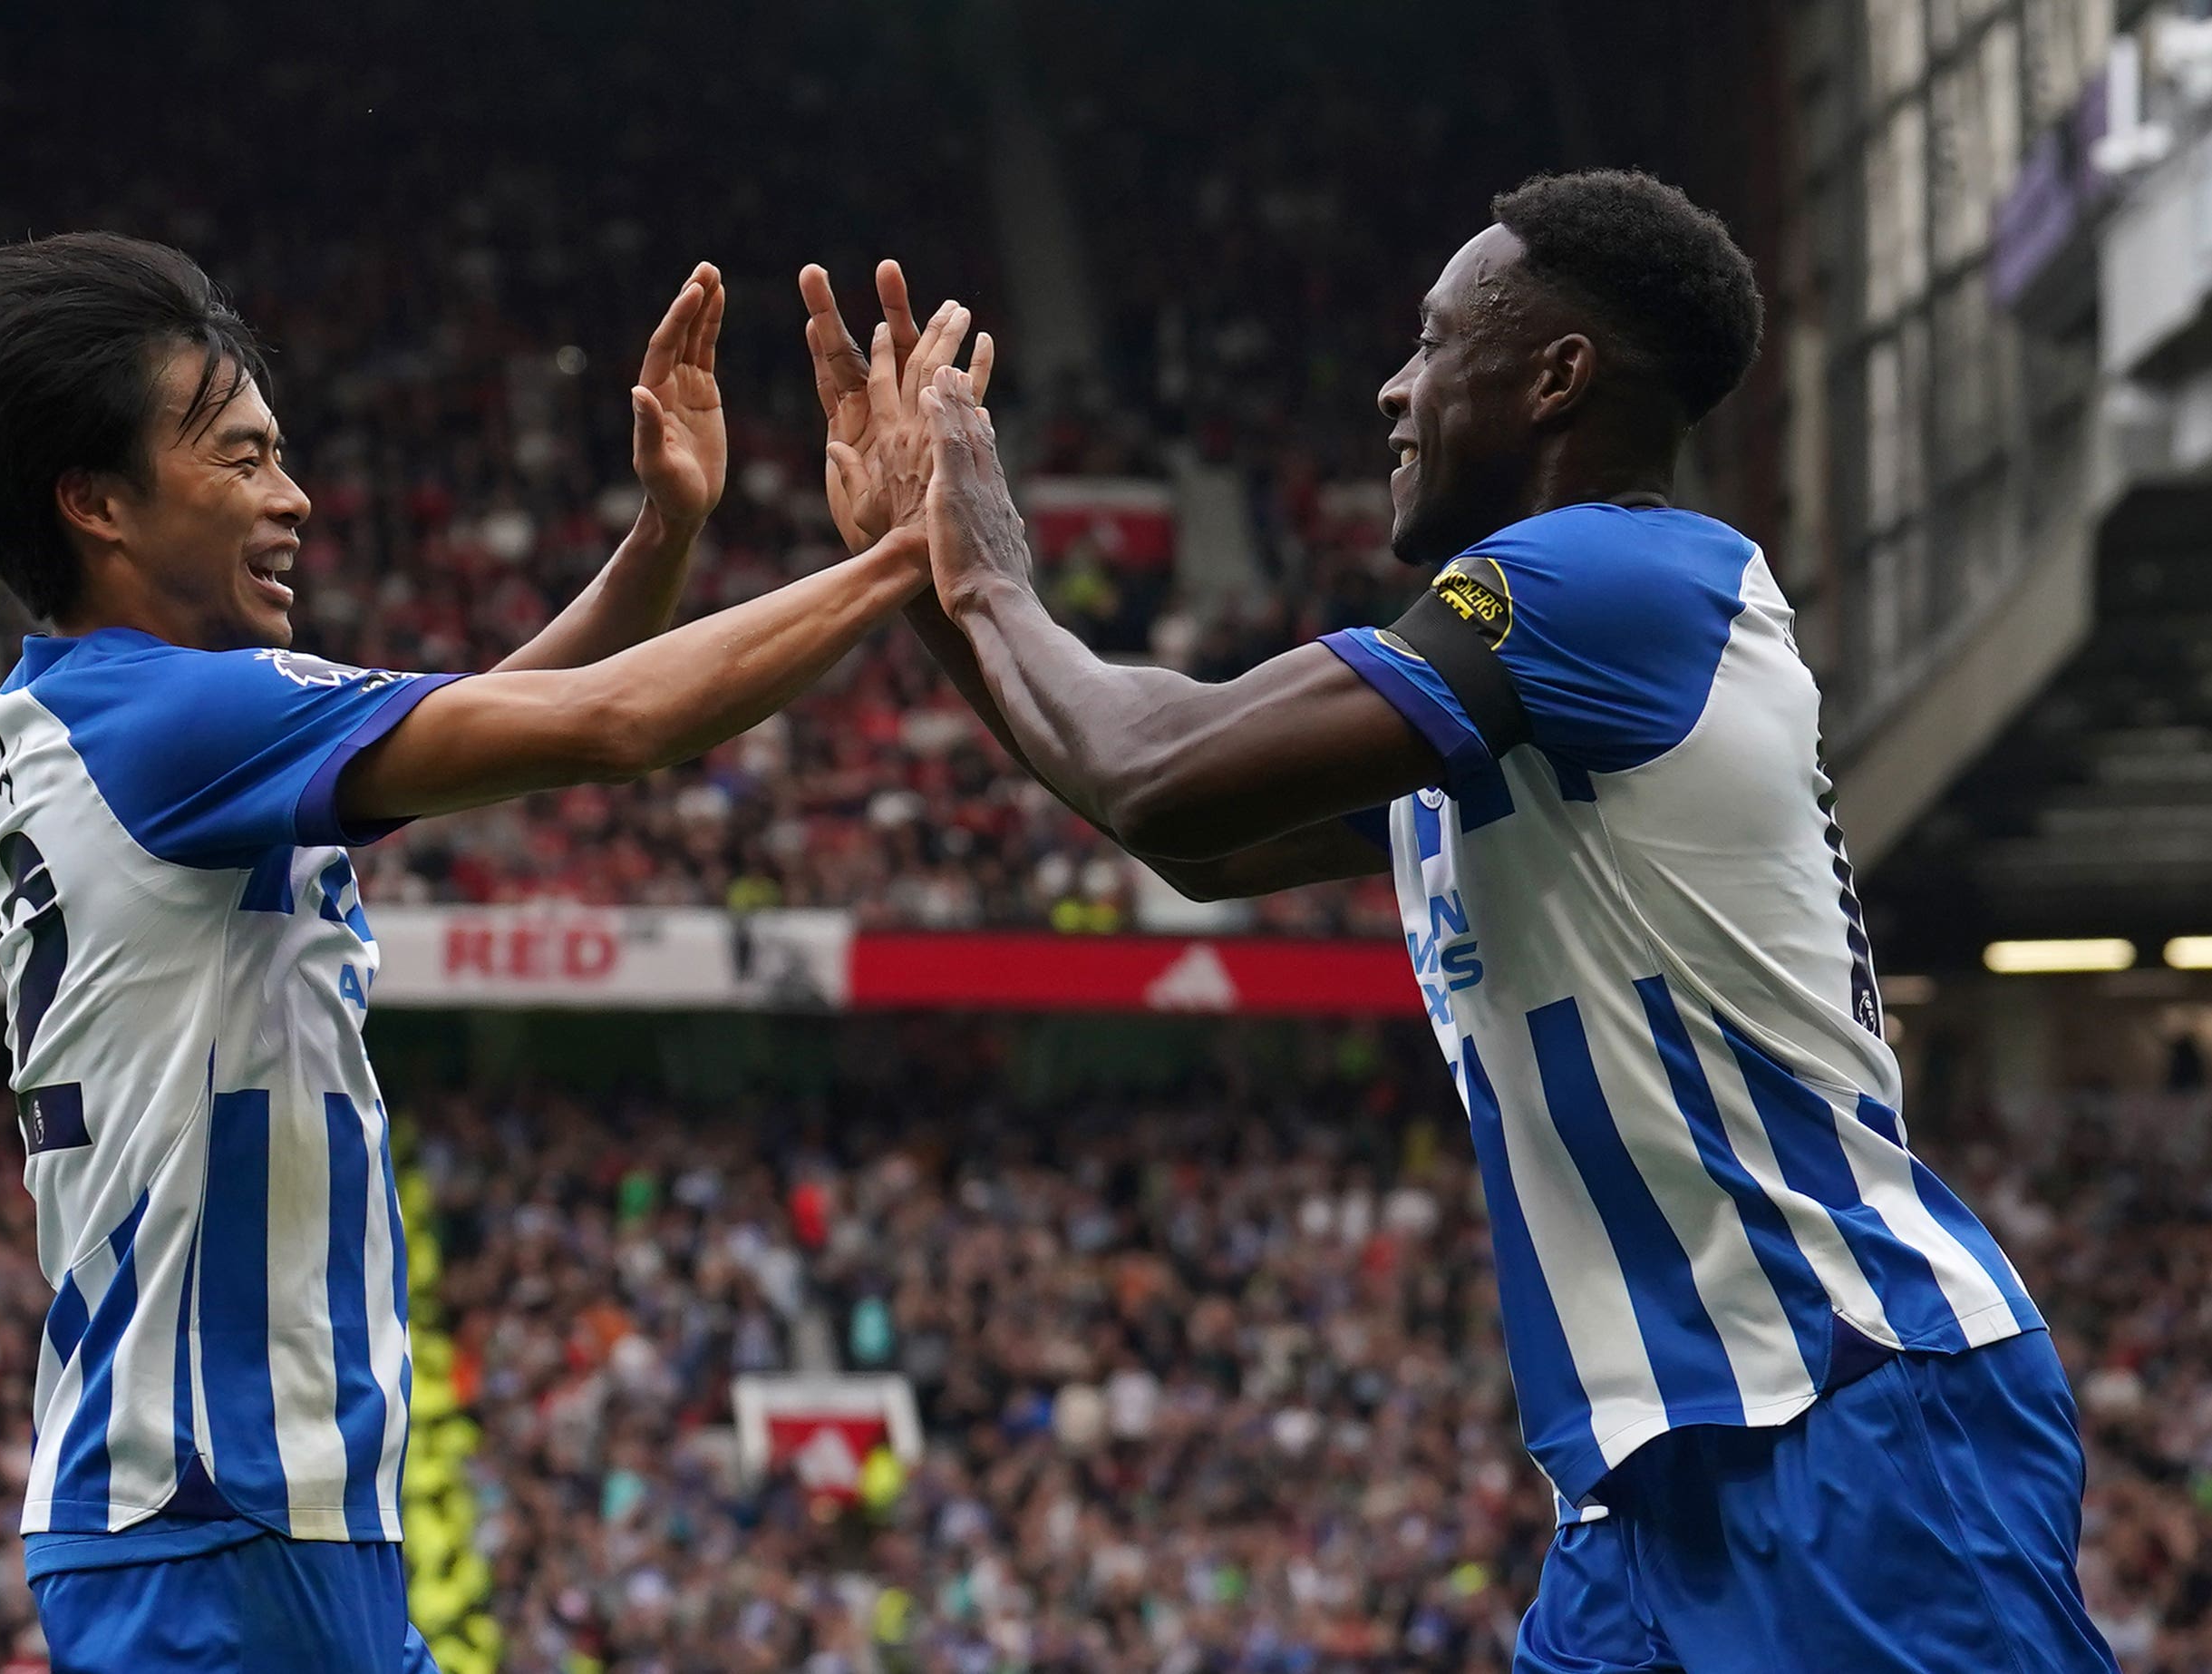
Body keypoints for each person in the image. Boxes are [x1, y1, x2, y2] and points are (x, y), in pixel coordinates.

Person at [841, 172, 2115, 1672]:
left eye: (1434, 343)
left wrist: (985, 560)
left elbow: (1161, 774)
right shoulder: (1531, 681)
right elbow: (1195, 845)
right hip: (1647, 1483)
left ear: (1556, 375)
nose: (1392, 387)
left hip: (1852, 1416)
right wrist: (923, 585)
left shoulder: (1613, 581)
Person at [0, 231, 984, 1673]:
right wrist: (914, 546)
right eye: (241, 459)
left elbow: (519, 722)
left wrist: (662, 533)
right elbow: (614, 723)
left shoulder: (101, 721)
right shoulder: (175, 722)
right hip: (223, 1518)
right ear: (95, 502)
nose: (297, 496)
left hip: (227, 1519)